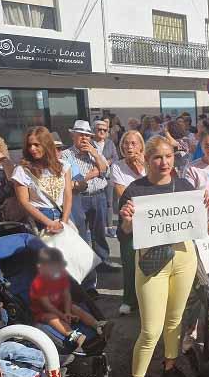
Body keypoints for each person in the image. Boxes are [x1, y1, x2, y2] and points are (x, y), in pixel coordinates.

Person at [119, 135, 209, 377]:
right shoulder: (135, 190)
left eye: (169, 157)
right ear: (146, 160)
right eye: (157, 157)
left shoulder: (184, 186)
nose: (164, 162)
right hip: (151, 263)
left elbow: (196, 222)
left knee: (175, 320)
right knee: (150, 329)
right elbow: (124, 233)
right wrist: (126, 219)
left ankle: (169, 368)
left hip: (184, 257)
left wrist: (206, 207)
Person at [62, 120, 114, 295]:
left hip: (98, 196)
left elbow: (106, 171)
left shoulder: (94, 151)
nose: (84, 138)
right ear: (73, 135)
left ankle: (103, 262)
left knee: (99, 232)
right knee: (82, 238)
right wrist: (93, 173)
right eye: (80, 134)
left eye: (87, 135)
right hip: (79, 199)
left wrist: (95, 154)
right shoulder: (66, 155)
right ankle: (88, 282)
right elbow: (76, 182)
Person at [30, 247, 108, 350]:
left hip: (60, 304)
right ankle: (73, 335)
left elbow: (67, 295)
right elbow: (46, 305)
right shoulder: (38, 283)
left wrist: (67, 312)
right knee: (52, 318)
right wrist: (62, 315)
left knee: (76, 308)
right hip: (44, 310)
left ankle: (97, 325)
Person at [112, 130, 146, 316]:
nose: (129, 147)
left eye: (133, 143)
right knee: (129, 259)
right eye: (126, 143)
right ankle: (129, 299)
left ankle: (147, 297)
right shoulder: (117, 167)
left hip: (150, 218)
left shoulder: (150, 163)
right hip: (129, 218)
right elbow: (123, 194)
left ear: (141, 146)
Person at [13, 127, 72, 234]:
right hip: (39, 217)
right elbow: (24, 202)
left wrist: (64, 221)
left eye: (36, 145)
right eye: (29, 145)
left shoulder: (64, 166)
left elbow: (68, 195)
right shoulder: (22, 170)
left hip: (62, 213)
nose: (32, 149)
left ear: (46, 145)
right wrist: (49, 223)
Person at [93, 119, 119, 235]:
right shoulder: (90, 144)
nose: (102, 132)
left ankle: (110, 226)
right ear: (94, 131)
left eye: (105, 130)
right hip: (94, 178)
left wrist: (106, 163)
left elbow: (115, 158)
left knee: (109, 203)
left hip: (108, 178)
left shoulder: (110, 143)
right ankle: (99, 228)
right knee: (97, 203)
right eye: (100, 130)